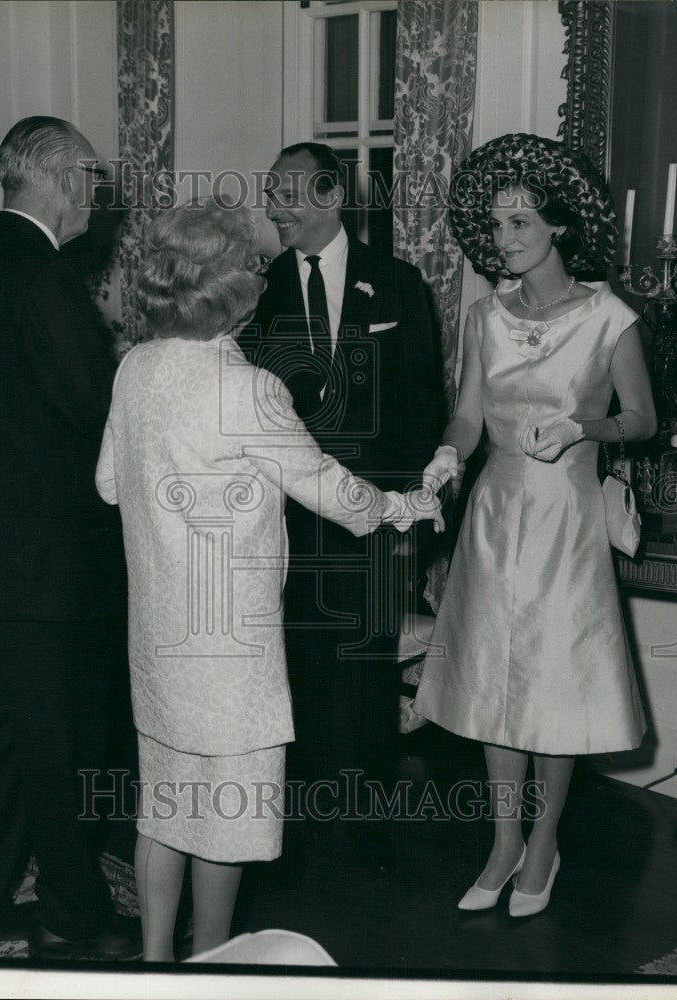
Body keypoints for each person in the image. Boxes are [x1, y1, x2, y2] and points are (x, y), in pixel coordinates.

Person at [95, 199, 442, 961]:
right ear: (230, 289)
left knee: (164, 802)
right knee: (224, 812)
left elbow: (109, 485)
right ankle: (211, 962)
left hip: (158, 635)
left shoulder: (135, 371)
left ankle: (156, 962)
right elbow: (336, 495)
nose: (262, 274)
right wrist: (407, 506)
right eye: (252, 267)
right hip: (231, 651)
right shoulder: (249, 389)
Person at [414, 133, 656, 917]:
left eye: (519, 223)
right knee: (492, 681)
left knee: (552, 686)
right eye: (496, 225)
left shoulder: (608, 316)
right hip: (494, 514)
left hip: (566, 517)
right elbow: (465, 417)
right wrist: (446, 460)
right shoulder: (483, 316)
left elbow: (643, 419)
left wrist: (586, 429)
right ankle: (502, 841)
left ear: (557, 225)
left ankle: (543, 844)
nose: (505, 239)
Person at [0, 116, 139, 959]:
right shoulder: (44, 275)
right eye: (91, 176)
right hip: (46, 570)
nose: (97, 193)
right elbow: (93, 405)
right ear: (57, 176)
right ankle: (74, 916)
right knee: (60, 752)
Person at [237, 142, 444, 872]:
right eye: (270, 194)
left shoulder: (397, 283)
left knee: (366, 672)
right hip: (286, 524)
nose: (274, 208)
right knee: (295, 670)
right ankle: (292, 832)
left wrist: (411, 516)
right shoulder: (255, 293)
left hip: (378, 519)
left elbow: (425, 410)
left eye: (286, 193)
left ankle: (363, 829)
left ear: (330, 195)